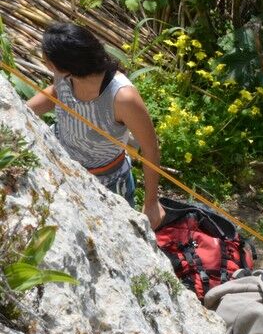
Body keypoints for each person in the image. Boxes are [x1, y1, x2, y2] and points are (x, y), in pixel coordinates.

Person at [26, 22, 165, 229]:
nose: (44, 62)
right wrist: (20, 110)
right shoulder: (65, 76)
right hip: (63, 167)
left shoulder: (122, 97)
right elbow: (57, 93)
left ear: (67, 66)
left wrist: (151, 202)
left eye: (46, 60)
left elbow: (150, 148)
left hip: (107, 183)